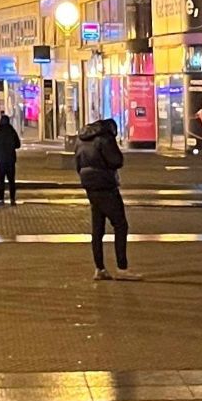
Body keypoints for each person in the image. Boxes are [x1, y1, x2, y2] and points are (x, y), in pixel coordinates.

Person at [75, 118, 138, 281]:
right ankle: (122, 268)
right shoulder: (106, 139)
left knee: (98, 229)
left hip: (90, 186)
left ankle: (99, 268)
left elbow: (78, 164)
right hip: (106, 185)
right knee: (120, 225)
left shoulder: (81, 140)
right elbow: (116, 160)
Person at [0, 113, 21, 203]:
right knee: (11, 180)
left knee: (1, 179)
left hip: (0, 160)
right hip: (10, 160)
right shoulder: (12, 131)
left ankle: (1, 197)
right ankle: (12, 198)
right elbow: (18, 144)